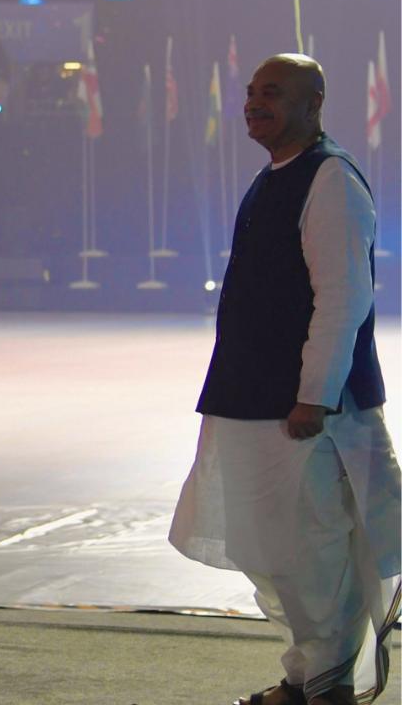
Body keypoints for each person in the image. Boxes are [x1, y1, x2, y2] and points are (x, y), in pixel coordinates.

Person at [169, 54, 400, 705]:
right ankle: (307, 677)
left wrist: (314, 395)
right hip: (251, 402)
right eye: (250, 93)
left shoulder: (329, 180)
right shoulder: (275, 177)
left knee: (313, 550)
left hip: (303, 410)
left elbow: (342, 299)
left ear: (313, 102)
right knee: (270, 548)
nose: (254, 103)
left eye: (272, 93)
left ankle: (326, 686)